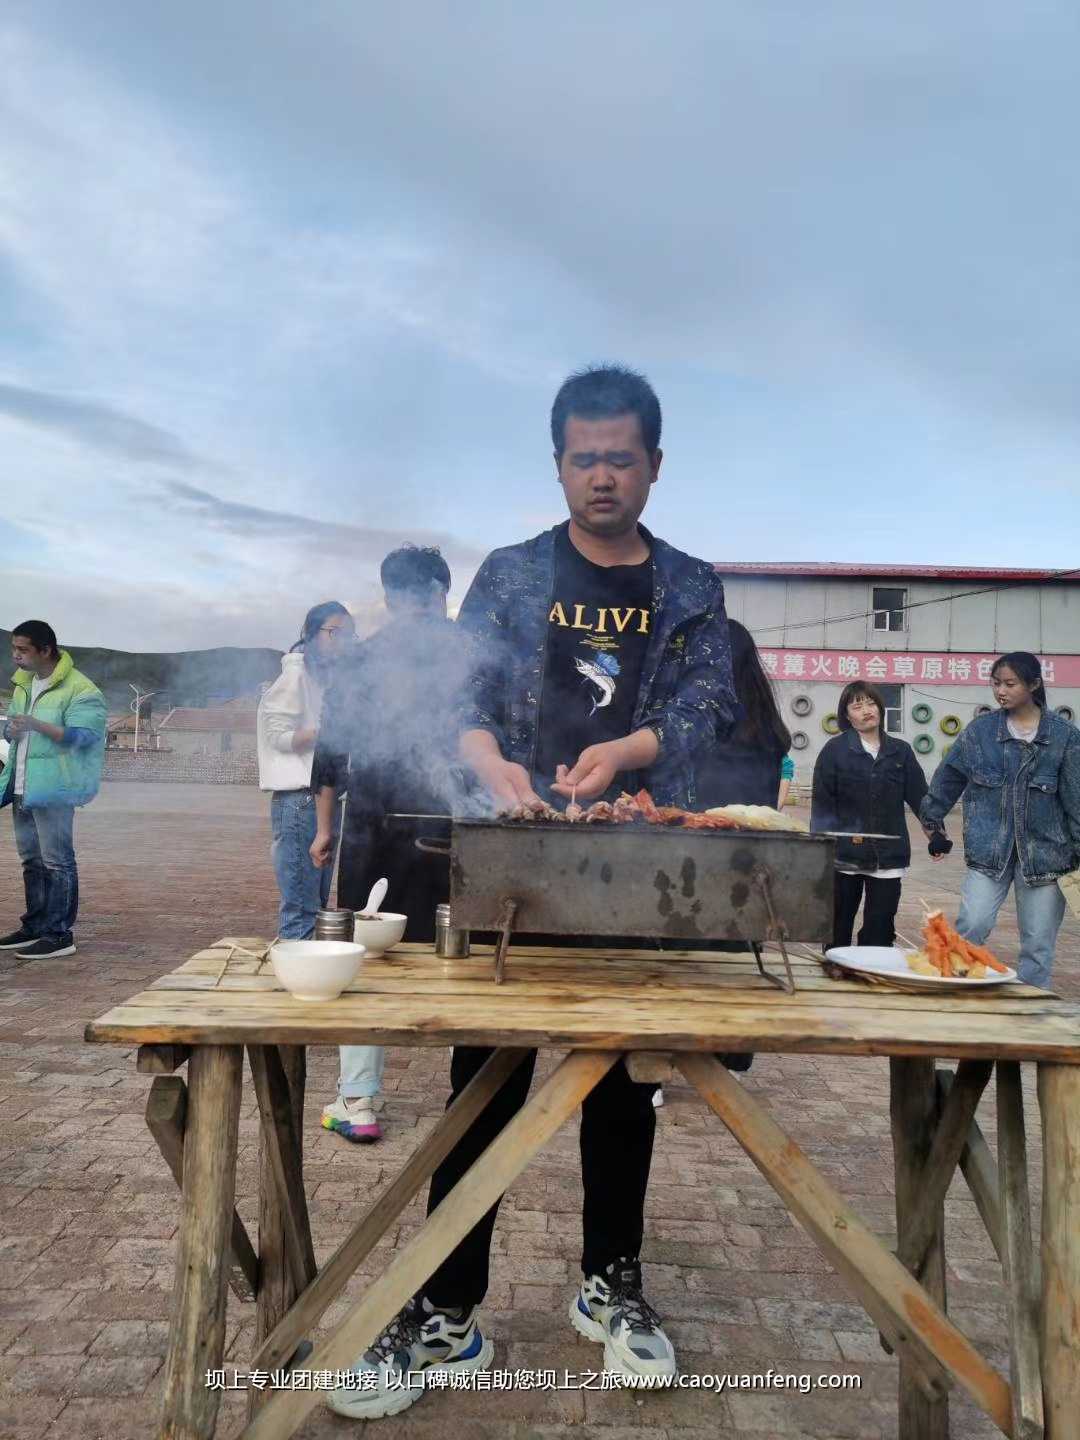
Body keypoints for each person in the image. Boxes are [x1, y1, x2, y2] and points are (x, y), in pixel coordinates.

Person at [327, 364, 735, 1421]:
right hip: (511, 859)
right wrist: (487, 762)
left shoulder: (692, 586)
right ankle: (449, 1310)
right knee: (484, 1083)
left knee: (620, 1084)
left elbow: (704, 707)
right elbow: (466, 697)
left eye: (621, 457)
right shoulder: (510, 573)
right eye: (582, 457)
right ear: (558, 463)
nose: (602, 475)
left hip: (637, 866)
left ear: (654, 464)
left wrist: (623, 751)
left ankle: (612, 1281)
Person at [311, 545, 470, 1144]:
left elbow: (330, 755)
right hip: (457, 826)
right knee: (462, 954)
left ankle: (358, 1103)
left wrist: (326, 829)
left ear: (387, 596)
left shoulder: (361, 660)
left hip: (374, 829)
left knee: (364, 958)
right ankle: (471, 1104)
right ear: (441, 593)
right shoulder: (472, 653)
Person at [920, 651, 1080, 988]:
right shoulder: (981, 732)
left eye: (1009, 683)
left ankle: (1029, 1011)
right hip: (988, 851)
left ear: (1034, 684)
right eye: (995, 684)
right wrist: (932, 817)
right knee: (971, 925)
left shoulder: (1064, 736)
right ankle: (956, 993)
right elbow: (949, 777)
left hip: (1047, 858)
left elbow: (1076, 800)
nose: (1000, 691)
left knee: (1037, 945)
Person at [0, 621, 107, 959]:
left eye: (22, 649)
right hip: (22, 786)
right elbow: (12, 736)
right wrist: (13, 731)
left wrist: (36, 724)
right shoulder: (22, 686)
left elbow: (83, 738)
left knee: (58, 862)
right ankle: (34, 926)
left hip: (56, 789)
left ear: (45, 649)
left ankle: (59, 933)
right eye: (14, 648)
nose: (15, 655)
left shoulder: (82, 689)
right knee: (32, 861)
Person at [812, 680, 940, 949]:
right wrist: (819, 850)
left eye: (871, 703)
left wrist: (936, 834)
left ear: (880, 708)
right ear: (847, 715)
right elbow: (822, 805)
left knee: (881, 923)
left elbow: (920, 797)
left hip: (889, 852)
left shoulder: (900, 751)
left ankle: (871, 973)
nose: (866, 710)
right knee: (839, 921)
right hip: (844, 853)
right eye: (857, 706)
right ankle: (835, 969)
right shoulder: (834, 751)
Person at [256, 601, 355, 941]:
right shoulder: (296, 675)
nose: (343, 642)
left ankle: (310, 978)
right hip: (298, 800)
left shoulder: (325, 679)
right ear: (312, 635)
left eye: (350, 635)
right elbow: (277, 737)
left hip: (324, 798)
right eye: (335, 633)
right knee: (302, 910)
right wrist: (325, 734)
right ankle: (297, 985)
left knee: (317, 905)